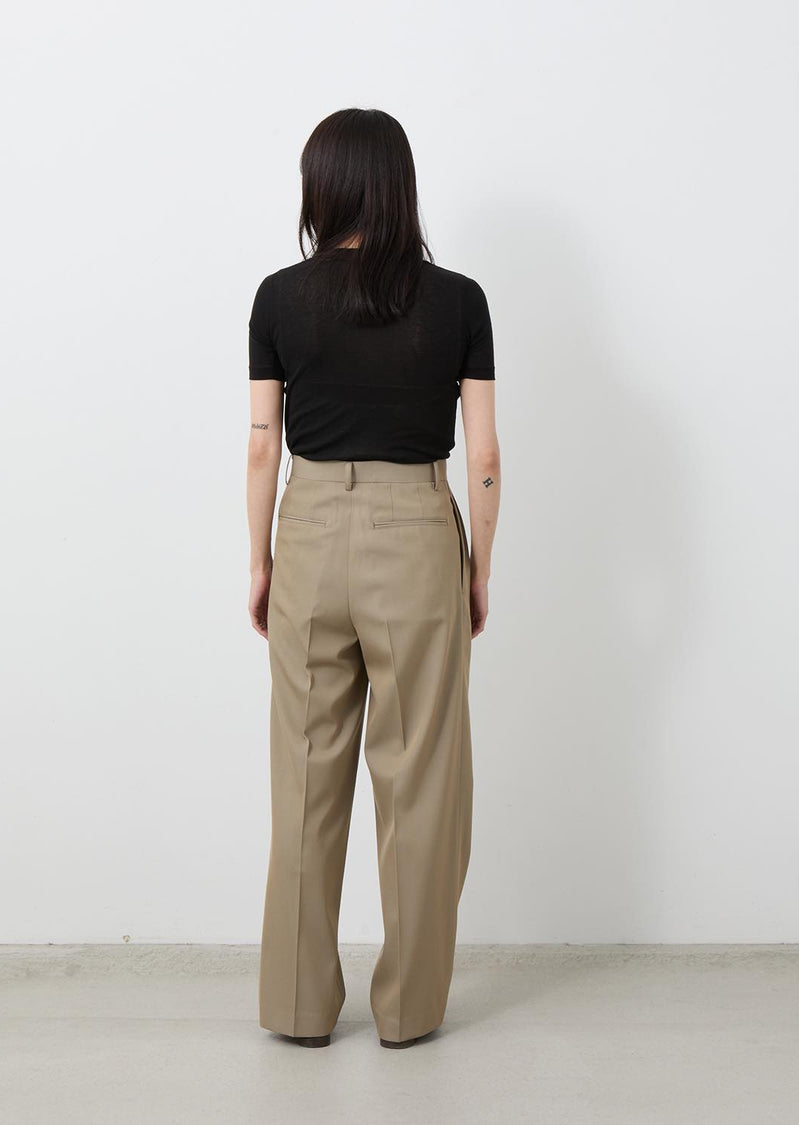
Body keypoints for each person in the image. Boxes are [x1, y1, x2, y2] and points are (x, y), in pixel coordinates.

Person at [246, 107, 500, 1050]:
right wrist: (477, 566)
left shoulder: (279, 297)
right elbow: (484, 457)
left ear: (322, 187)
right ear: (400, 185)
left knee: (305, 779)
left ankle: (297, 1008)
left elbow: (261, 445)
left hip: (310, 527)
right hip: (417, 533)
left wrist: (263, 560)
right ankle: (408, 1011)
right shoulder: (459, 300)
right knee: (421, 779)